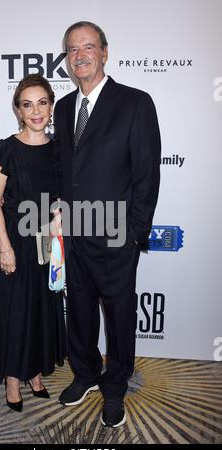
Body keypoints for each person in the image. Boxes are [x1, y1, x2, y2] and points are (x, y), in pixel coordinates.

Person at [54, 21, 161, 427]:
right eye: (72, 49)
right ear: (66, 58)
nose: (79, 55)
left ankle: (115, 387)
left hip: (117, 234)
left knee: (118, 316)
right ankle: (85, 374)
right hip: (74, 232)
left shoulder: (135, 102)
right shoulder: (64, 108)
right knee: (78, 310)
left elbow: (146, 174)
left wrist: (135, 232)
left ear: (104, 52)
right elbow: (66, 170)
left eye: (88, 47)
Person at [0, 74, 66, 413]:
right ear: (18, 109)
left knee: (41, 311)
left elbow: (64, 195)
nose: (35, 111)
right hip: (13, 242)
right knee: (15, 313)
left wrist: (59, 222)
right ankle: (13, 380)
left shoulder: (60, 149)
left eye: (42, 103)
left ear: (51, 107)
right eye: (27, 104)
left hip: (45, 242)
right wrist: (5, 247)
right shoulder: (6, 148)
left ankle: (35, 373)